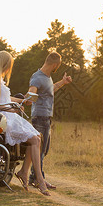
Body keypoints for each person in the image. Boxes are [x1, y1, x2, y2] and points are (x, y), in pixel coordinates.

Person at [0, 50, 50, 196]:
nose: (8, 69)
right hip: (4, 117)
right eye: (8, 65)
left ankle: (25, 172)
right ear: (4, 64)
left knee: (37, 137)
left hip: (9, 114)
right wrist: (12, 110)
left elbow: (6, 97)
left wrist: (22, 100)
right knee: (35, 139)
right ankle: (39, 179)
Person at [28, 51, 72, 189]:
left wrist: (63, 83)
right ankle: (38, 179)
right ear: (55, 65)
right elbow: (32, 92)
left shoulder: (47, 77)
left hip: (46, 118)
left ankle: (33, 177)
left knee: (43, 150)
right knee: (39, 151)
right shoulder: (37, 77)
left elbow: (49, 90)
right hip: (39, 118)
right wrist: (30, 97)